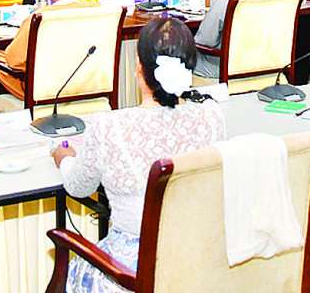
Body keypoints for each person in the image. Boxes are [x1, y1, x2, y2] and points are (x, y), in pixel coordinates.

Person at [51, 18, 224, 293]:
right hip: (195, 266)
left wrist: (65, 157)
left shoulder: (109, 126)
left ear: (139, 67)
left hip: (130, 275)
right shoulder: (212, 117)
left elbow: (78, 186)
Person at [0, 0, 90, 99]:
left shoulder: (38, 18)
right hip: (88, 86)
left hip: (46, 93)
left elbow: (14, 61)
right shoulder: (100, 11)